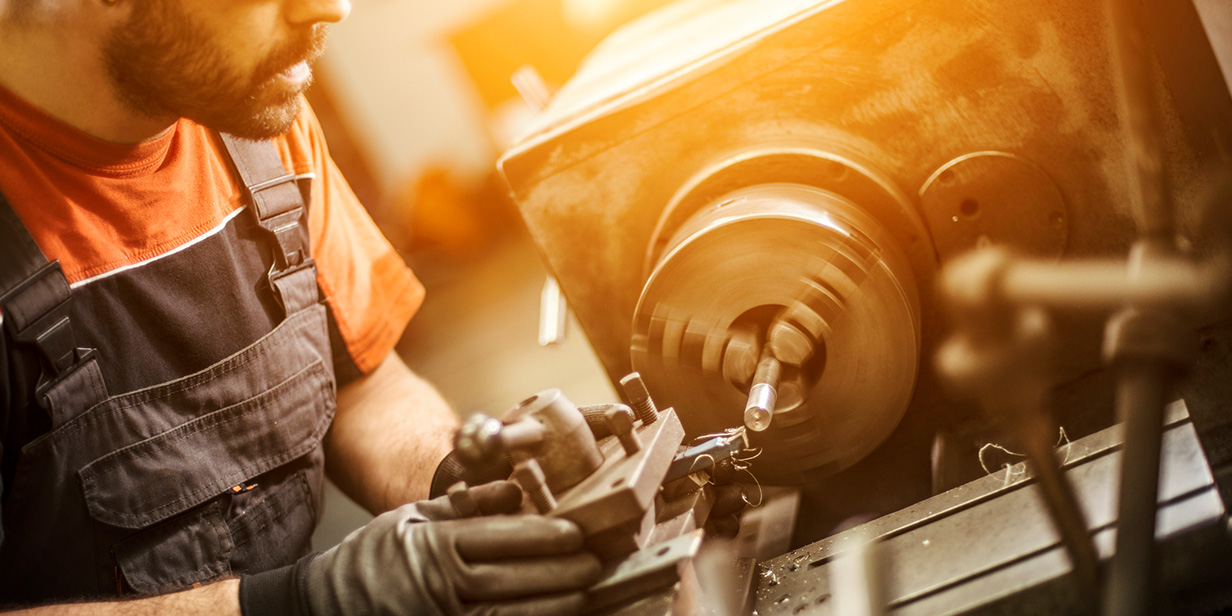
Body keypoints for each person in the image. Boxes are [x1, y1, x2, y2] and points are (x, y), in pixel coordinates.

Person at [0, 0, 601, 614]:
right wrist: (304, 602)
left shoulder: (247, 113)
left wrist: (476, 481)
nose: (331, 9)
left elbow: (362, 386)